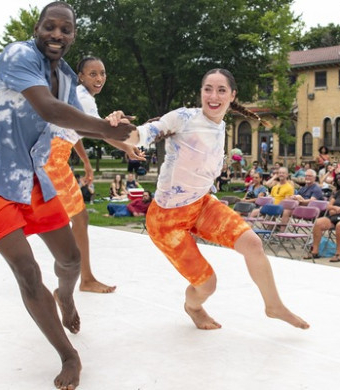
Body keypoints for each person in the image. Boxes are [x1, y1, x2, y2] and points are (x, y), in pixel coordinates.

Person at [0, 4, 136, 388]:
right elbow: (49, 109)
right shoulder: (19, 54)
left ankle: (66, 297)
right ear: (37, 28)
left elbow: (79, 124)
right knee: (26, 271)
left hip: (33, 176)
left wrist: (121, 131)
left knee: (70, 259)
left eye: (66, 30)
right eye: (50, 27)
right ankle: (69, 357)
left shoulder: (67, 77)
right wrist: (107, 130)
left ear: (73, 35)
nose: (57, 35)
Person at [124, 68, 308, 330]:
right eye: (208, 89)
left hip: (200, 205)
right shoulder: (184, 118)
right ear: (200, 92)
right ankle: (193, 306)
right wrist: (116, 128)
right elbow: (140, 135)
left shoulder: (221, 125)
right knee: (207, 285)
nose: (213, 96)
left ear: (232, 95)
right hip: (166, 220)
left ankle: (273, 305)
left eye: (221, 90)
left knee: (252, 244)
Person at [304, 173, 340, 262]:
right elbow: (329, 206)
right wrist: (336, 208)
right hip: (335, 217)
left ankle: (339, 254)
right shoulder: (339, 193)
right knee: (318, 222)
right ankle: (315, 251)